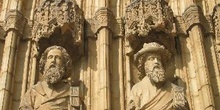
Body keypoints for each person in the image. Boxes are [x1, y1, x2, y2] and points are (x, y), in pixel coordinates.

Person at [127, 42, 189, 110]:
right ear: (144, 65)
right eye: (151, 59)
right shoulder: (137, 89)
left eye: (159, 59)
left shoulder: (176, 90)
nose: (156, 62)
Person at [19, 46, 72, 110]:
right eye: (50, 57)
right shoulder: (33, 91)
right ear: (45, 63)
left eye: (58, 58)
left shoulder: (71, 92)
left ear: (64, 64)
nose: (53, 60)